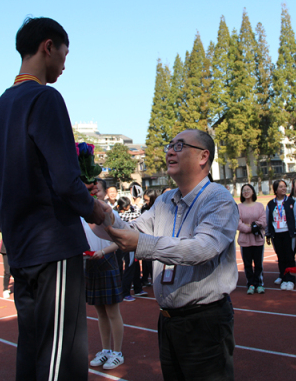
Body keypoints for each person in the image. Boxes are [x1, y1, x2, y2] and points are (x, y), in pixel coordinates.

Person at [0, 17, 108, 381]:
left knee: (33, 348)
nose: (64, 65)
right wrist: (96, 209)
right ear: (48, 46)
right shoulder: (45, 97)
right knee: (61, 355)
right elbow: (67, 181)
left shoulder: (1, 108)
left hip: (21, 246)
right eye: (64, 54)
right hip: (52, 244)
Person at [105, 128, 238, 380]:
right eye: (170, 145)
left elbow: (203, 248)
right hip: (168, 319)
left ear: (203, 157)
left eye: (179, 146)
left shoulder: (218, 199)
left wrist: (143, 244)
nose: (169, 151)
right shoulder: (165, 201)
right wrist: (100, 214)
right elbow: (130, 231)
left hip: (204, 321)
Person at [84, 179, 125, 370]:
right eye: (90, 190)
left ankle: (117, 352)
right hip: (91, 265)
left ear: (104, 193)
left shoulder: (111, 214)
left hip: (107, 262)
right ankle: (106, 350)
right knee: (100, 312)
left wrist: (104, 252)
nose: (94, 194)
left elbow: (121, 241)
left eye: (97, 190)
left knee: (112, 312)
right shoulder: (82, 216)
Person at [265, 180, 296, 290]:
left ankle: (291, 279)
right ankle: (284, 278)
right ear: (275, 190)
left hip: (288, 233)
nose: (284, 189)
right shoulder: (271, 204)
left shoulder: (291, 202)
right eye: (281, 187)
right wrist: (267, 233)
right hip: (276, 234)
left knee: (289, 257)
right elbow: (267, 219)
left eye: (285, 186)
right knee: (281, 257)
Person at [237, 183, 267, 294]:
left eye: (248, 189)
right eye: (244, 190)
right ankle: (250, 284)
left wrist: (255, 225)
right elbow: (237, 222)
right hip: (245, 241)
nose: (246, 192)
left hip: (258, 240)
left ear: (253, 191)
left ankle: (259, 283)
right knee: (247, 264)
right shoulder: (239, 207)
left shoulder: (259, 206)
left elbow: (263, 220)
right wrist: (250, 229)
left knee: (258, 264)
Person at [139, 189, 160, 286]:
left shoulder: (161, 208)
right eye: (145, 200)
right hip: (147, 240)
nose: (146, 202)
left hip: (158, 239)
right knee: (148, 264)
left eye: (147, 200)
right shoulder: (144, 209)